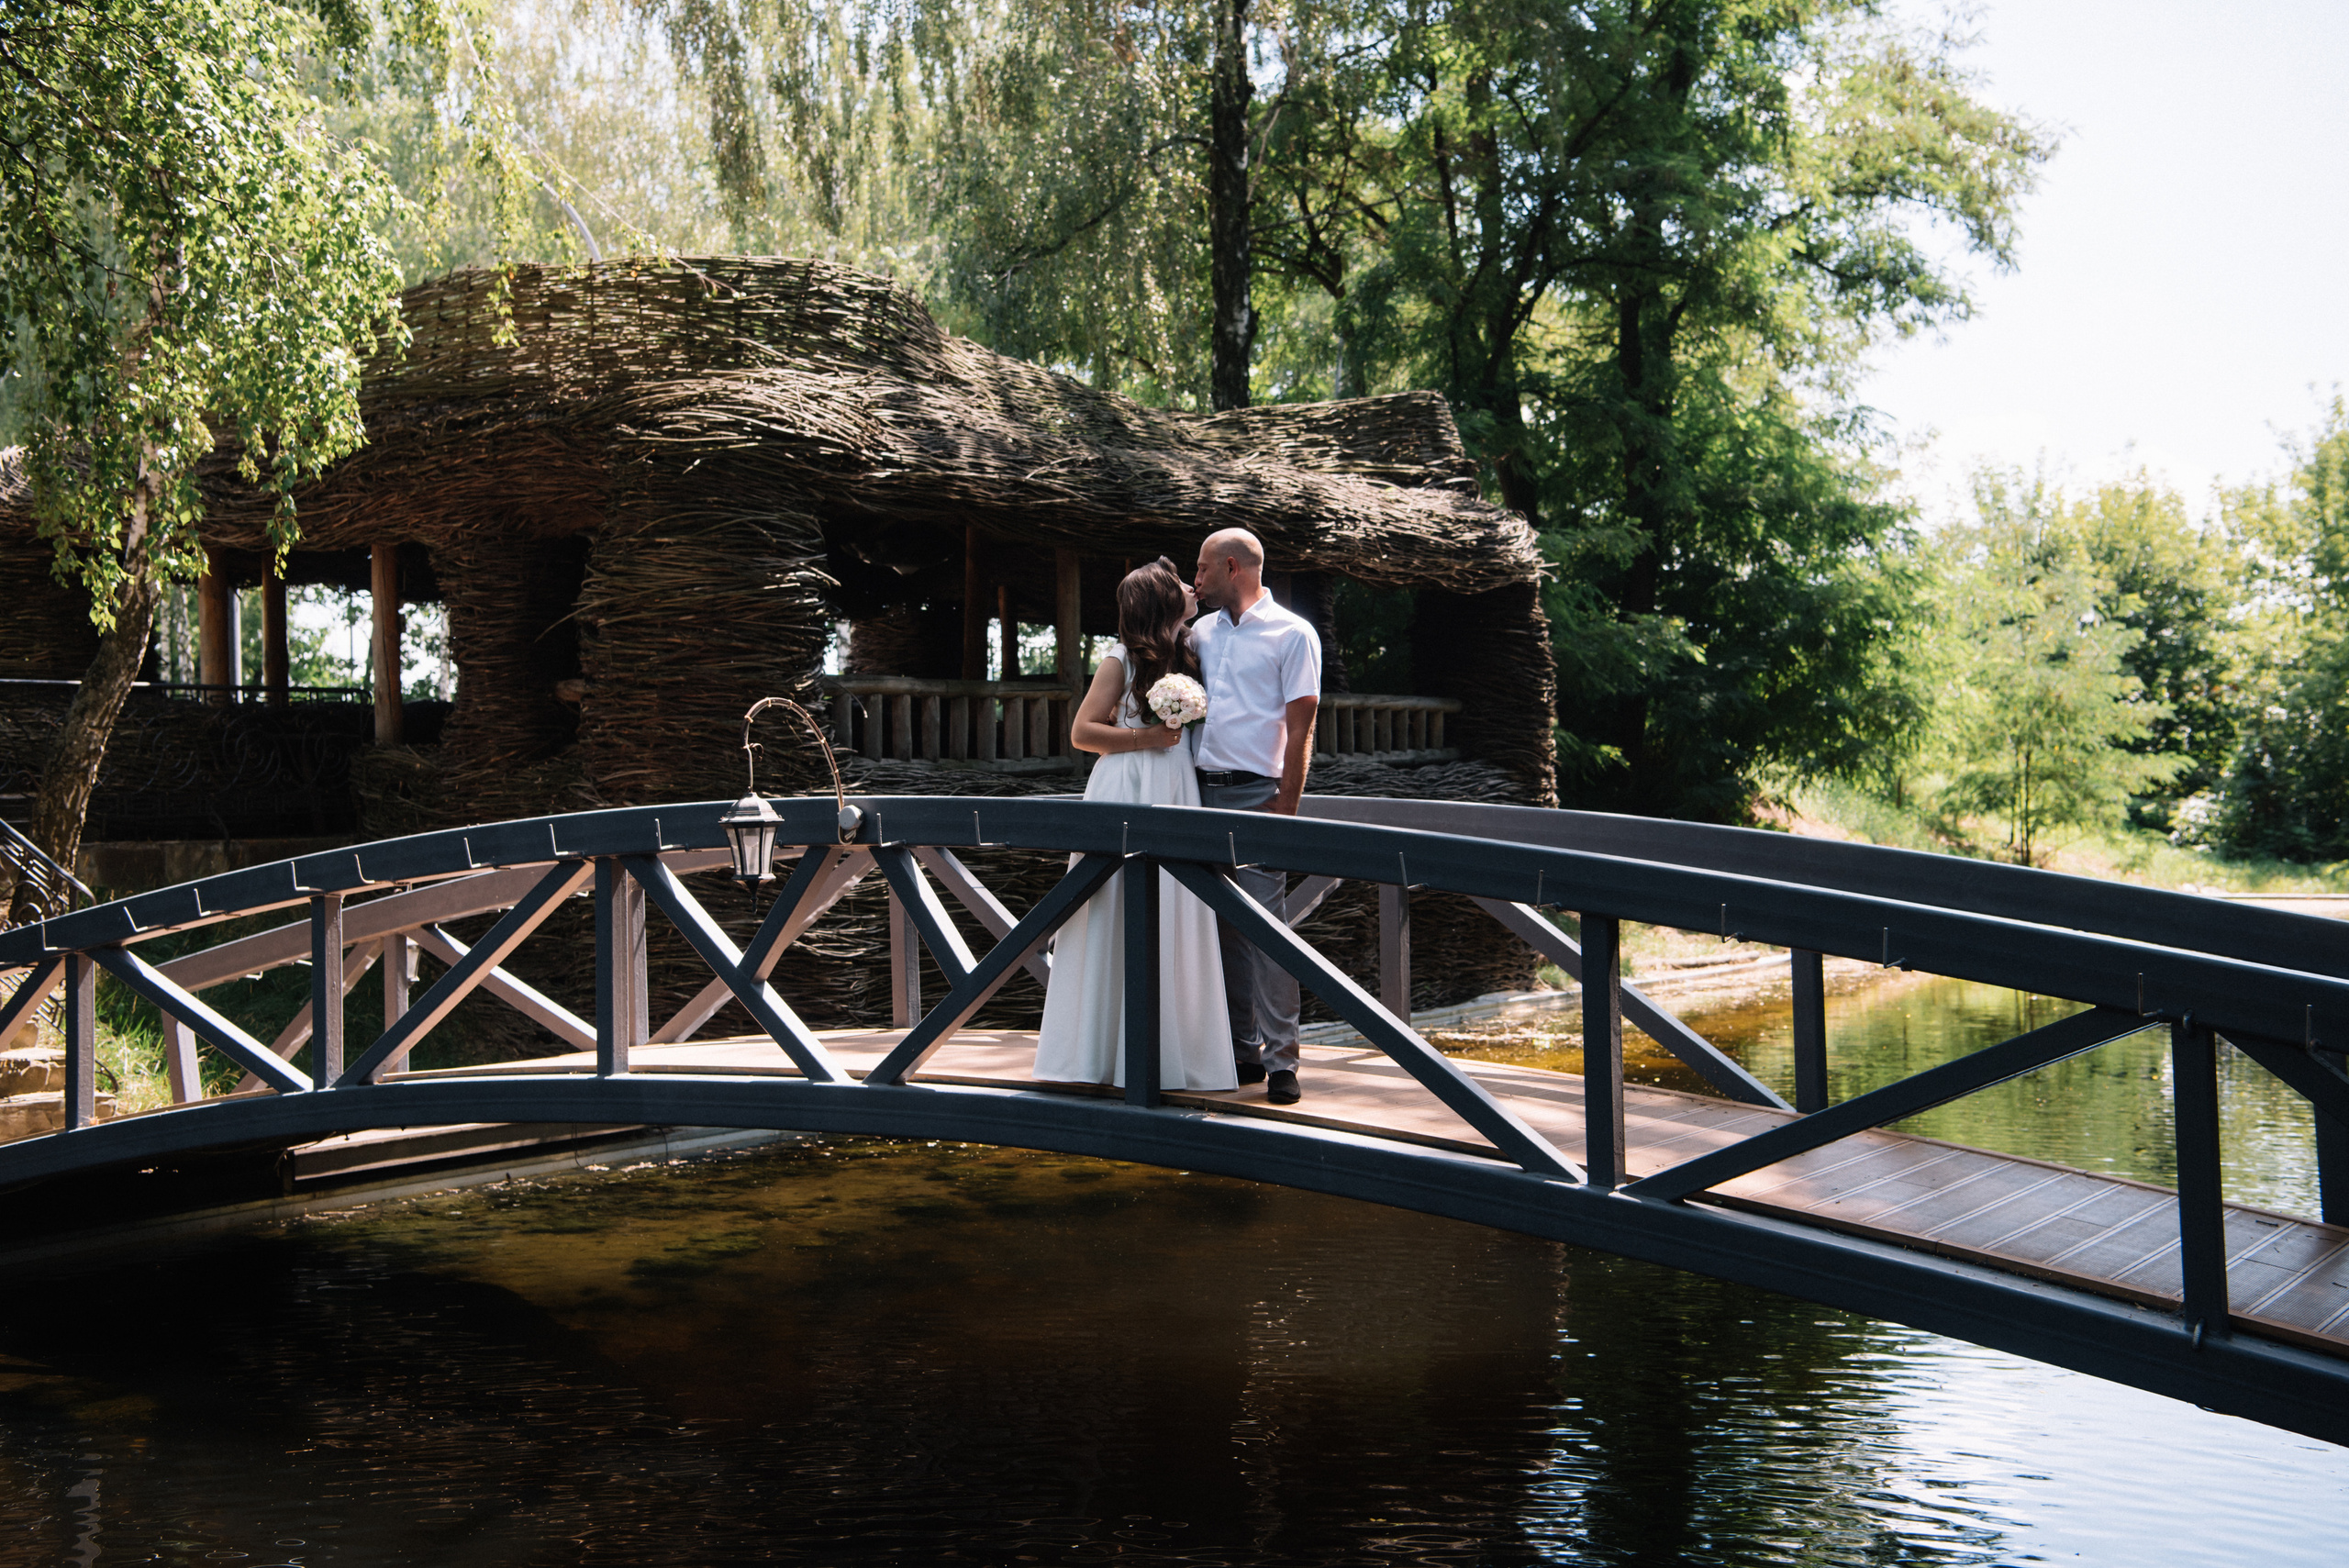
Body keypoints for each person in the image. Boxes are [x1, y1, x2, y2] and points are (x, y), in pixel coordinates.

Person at [1031, 559, 1240, 1092]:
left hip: (1175, 786)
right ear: (1159, 601)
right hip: (1124, 785)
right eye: (1178, 584)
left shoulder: (1193, 651)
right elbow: (1082, 733)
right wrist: (1144, 738)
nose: (1190, 587)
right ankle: (1096, 1055)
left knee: (1177, 907)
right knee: (1111, 909)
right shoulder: (1119, 660)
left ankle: (1176, 1054)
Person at [1191, 527, 1321, 1104]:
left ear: (1232, 566)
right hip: (1197, 795)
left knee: (1269, 932)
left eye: (1201, 569)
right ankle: (1242, 1051)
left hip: (1257, 796)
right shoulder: (1198, 634)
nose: (1196, 580)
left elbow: (1302, 729)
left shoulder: (1294, 634)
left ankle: (1283, 1061)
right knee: (1220, 929)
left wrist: (1286, 807)